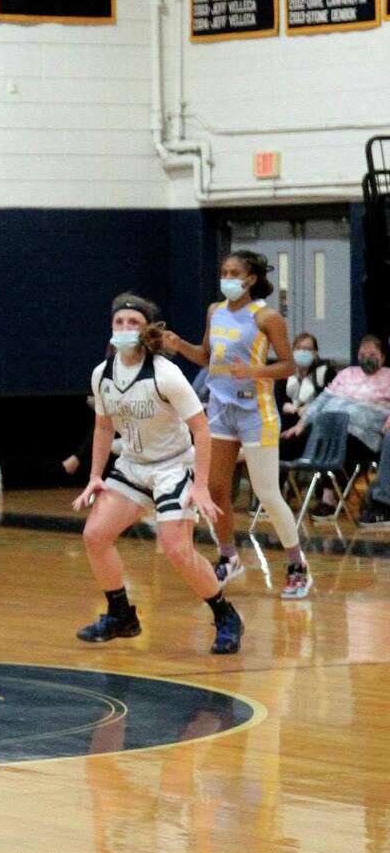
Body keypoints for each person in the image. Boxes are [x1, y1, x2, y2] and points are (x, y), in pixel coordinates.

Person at [74, 294, 243, 654]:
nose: (124, 329)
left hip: (173, 465)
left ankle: (225, 614)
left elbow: (201, 429)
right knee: (95, 535)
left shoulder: (166, 374)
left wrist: (200, 486)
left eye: (132, 323)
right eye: (119, 322)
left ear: (146, 328)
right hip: (133, 465)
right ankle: (121, 614)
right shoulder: (102, 374)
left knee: (176, 549)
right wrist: (94, 476)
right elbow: (103, 428)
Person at [163, 251, 308, 600]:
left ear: (251, 279)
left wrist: (256, 371)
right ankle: (229, 557)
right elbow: (206, 357)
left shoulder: (267, 317)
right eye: (223, 271)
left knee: (267, 492)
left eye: (234, 272)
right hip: (221, 408)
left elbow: (287, 366)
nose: (226, 277)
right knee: (214, 490)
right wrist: (179, 345)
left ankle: (296, 564)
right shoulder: (215, 311)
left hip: (256, 410)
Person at [283, 334, 390, 515]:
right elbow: (323, 399)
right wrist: (301, 423)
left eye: (372, 354)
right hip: (323, 429)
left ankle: (328, 499)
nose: (366, 358)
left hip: (362, 437)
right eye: (362, 354)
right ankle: (274, 496)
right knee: (287, 440)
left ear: (382, 357)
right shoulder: (347, 373)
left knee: (337, 440)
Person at [277, 332, 335, 464]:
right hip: (285, 422)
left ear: (315, 353)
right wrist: (284, 406)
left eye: (307, 349)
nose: (302, 352)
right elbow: (277, 400)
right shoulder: (284, 373)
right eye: (298, 348)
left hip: (311, 427)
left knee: (285, 443)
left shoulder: (326, 373)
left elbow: (330, 402)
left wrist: (309, 409)